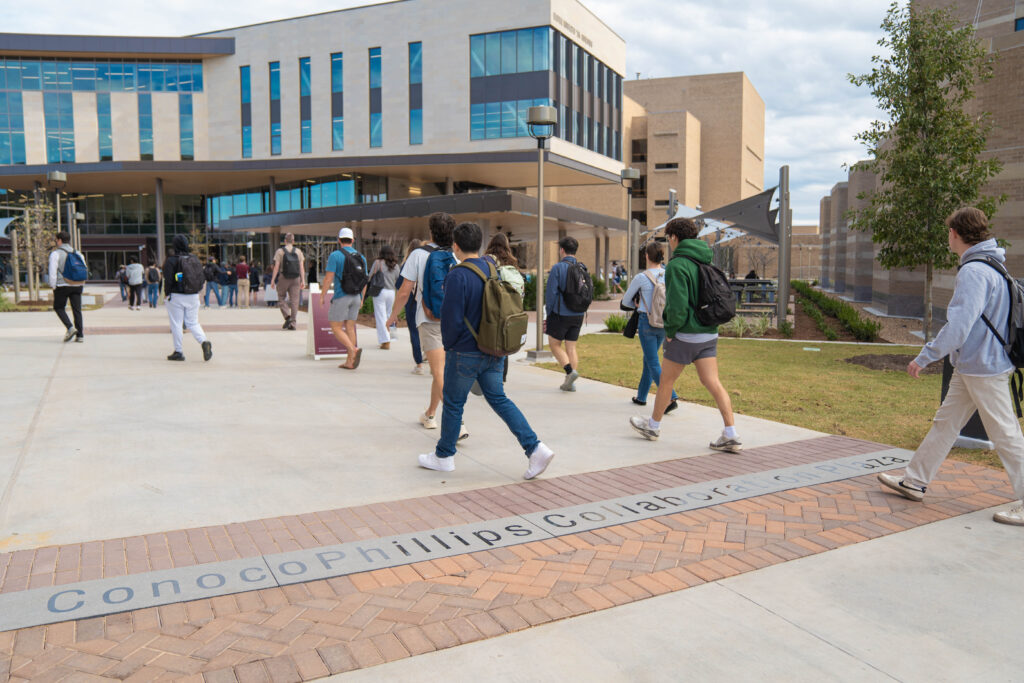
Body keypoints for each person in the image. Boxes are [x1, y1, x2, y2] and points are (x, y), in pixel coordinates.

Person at [878, 207, 1024, 526]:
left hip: (984, 367)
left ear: (956, 234)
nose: (948, 237)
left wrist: (925, 356)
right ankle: (914, 481)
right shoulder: (993, 265)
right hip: (976, 365)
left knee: (1006, 434)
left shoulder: (974, 271)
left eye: (948, 232)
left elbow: (959, 326)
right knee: (946, 424)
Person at [417, 221, 553, 479]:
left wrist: (450, 346)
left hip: (465, 352)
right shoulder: (493, 268)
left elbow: (451, 319)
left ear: (456, 246)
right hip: (493, 349)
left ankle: (444, 456)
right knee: (500, 400)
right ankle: (535, 448)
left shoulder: (458, 274)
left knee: (454, 403)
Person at [629, 217, 740, 453]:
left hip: (685, 334)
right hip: (708, 333)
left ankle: (653, 426)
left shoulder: (678, 265)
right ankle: (730, 433)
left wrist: (670, 330)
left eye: (669, 238)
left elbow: (677, 305)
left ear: (674, 238)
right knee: (713, 382)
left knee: (666, 382)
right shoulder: (706, 259)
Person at [387, 213, 467, 438]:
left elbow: (404, 291)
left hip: (429, 319)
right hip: (455, 320)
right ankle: (430, 414)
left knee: (439, 371)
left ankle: (458, 422)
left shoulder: (418, 255)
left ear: (431, 232)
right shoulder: (457, 255)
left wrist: (393, 316)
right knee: (441, 371)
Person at [621, 241, 679, 411]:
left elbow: (625, 302)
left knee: (653, 361)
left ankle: (670, 397)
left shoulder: (641, 277)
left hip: (647, 321)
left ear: (646, 256)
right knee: (649, 359)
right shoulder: (669, 274)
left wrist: (637, 304)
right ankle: (641, 397)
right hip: (664, 322)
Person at [545, 236, 587, 392]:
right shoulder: (582, 267)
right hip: (579, 313)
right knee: (571, 347)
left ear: (561, 250)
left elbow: (551, 294)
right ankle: (570, 383)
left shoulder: (558, 268)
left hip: (560, 313)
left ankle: (570, 372)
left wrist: (549, 313)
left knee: (554, 344)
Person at [321, 227, 367, 370]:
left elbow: (329, 278)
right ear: (353, 240)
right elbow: (364, 280)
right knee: (350, 328)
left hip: (342, 296)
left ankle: (353, 350)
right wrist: (362, 298)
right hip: (356, 297)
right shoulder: (361, 257)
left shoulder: (335, 256)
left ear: (339, 240)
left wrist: (322, 295)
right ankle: (350, 361)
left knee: (336, 327)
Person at [162, 234, 212, 362]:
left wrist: (167, 293)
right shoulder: (194, 259)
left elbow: (168, 279)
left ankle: (178, 351)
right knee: (193, 322)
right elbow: (201, 277)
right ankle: (204, 341)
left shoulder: (171, 260)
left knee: (176, 324)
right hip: (193, 295)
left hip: (176, 296)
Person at [484, 232, 525, 383]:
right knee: (504, 341)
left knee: (490, 339)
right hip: (510, 307)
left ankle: (490, 376)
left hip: (494, 305)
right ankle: (502, 377)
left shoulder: (489, 261)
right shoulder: (511, 262)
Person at [48, 231, 85, 343]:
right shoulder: (77, 253)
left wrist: (53, 285)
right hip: (77, 284)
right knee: (77, 310)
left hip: (62, 284)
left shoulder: (56, 254)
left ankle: (70, 327)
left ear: (59, 240)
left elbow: (52, 272)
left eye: (56, 240)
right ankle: (80, 335)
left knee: (59, 307)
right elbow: (84, 268)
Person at [399, 238, 426, 375]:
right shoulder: (426, 261)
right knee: (428, 332)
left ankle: (419, 364)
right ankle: (434, 362)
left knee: (414, 334)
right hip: (426, 302)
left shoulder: (407, 264)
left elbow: (400, 285)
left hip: (411, 303)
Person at [369, 245, 400, 350]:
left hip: (380, 291)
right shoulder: (395, 265)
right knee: (388, 315)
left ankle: (385, 341)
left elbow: (370, 276)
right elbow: (398, 279)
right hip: (391, 292)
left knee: (380, 317)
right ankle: (389, 338)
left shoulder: (378, 263)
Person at [272, 233, 305, 330]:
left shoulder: (280, 251)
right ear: (293, 241)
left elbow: (276, 267)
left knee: (281, 297)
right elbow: (301, 267)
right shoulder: (298, 252)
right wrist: (303, 280)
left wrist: (273, 279)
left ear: (285, 241)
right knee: (295, 301)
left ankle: (287, 316)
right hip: (296, 278)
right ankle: (293, 324)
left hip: (284, 277)